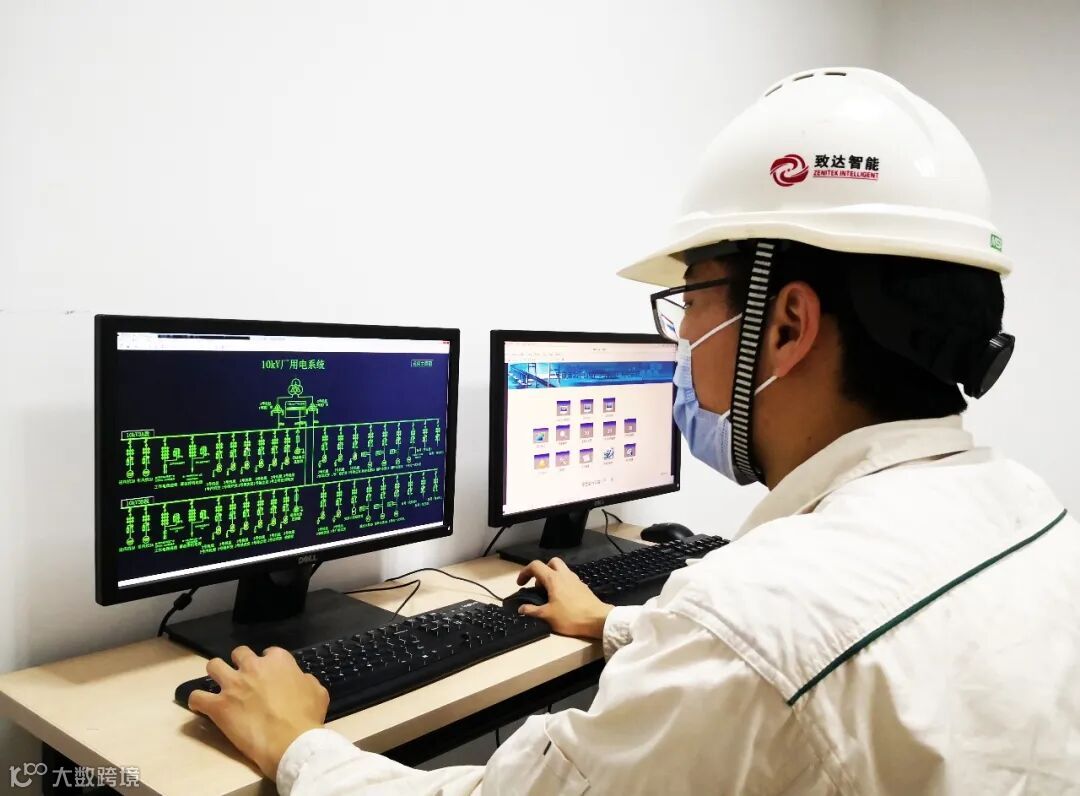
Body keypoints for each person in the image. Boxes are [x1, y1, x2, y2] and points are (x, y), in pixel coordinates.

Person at [188, 68, 1080, 795]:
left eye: (691, 299)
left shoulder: (755, 620)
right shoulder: (1023, 507)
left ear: (787, 326)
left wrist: (299, 746)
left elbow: (754, 665)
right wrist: (616, 622)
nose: (681, 338)